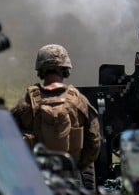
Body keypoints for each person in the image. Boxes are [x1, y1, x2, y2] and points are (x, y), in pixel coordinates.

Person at [11, 44, 102, 187]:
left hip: (36, 181)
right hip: (70, 182)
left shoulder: (27, 102)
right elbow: (94, 143)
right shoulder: (79, 101)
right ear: (65, 68)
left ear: (40, 69)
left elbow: (8, 137)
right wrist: (76, 166)